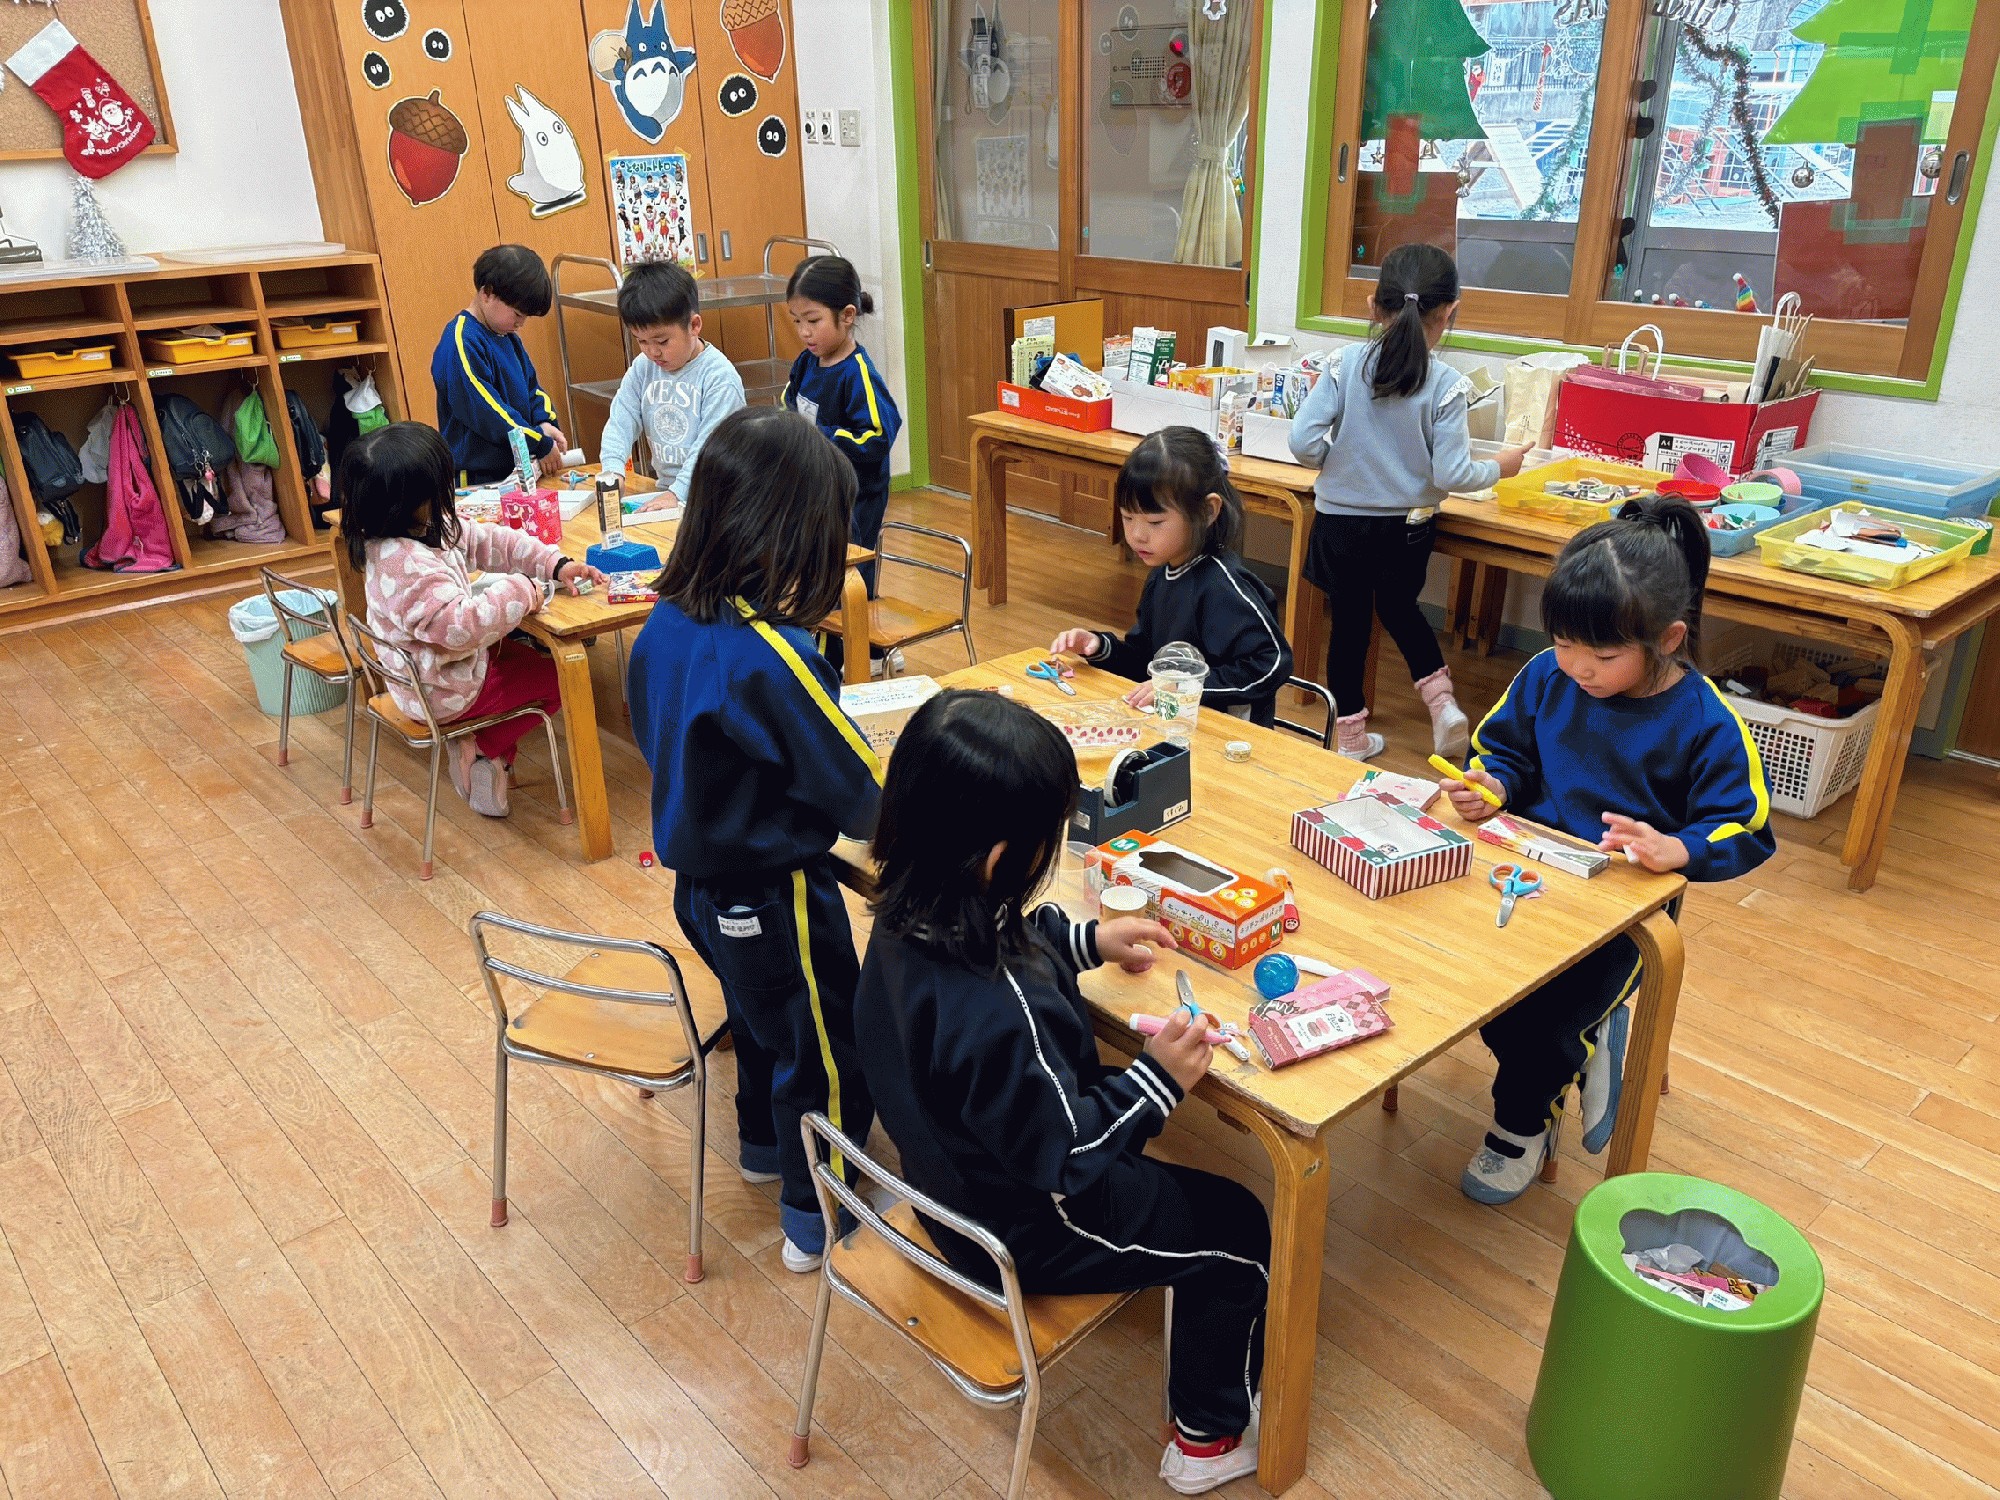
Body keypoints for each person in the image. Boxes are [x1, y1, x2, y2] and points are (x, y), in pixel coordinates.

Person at [853, 690, 1270, 1496]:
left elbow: (1010, 934)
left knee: (1126, 1115)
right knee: (1240, 1227)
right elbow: (1069, 1156)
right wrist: (1159, 1080)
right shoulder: (1000, 1006)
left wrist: (1087, 939)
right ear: (1000, 857)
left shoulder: (914, 907)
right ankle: (1206, 1440)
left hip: (944, 1179)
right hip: (1024, 1227)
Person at [1443, 497, 1775, 1205]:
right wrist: (1492, 784)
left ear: (1669, 639)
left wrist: (1678, 847)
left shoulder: (1706, 720)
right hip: (1527, 875)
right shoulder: (1547, 675)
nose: (1578, 668)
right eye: (1564, 643)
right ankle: (1584, 1043)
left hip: (1623, 912)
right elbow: (1502, 750)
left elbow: (1745, 826)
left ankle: (1521, 1124)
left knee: (1539, 1022)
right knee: (1459, 971)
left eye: (1602, 655)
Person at [626, 406, 881, 1272]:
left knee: (761, 1021)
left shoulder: (667, 620)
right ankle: (821, 1217)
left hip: (700, 887)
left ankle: (763, 1151)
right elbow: (860, 794)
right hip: (778, 893)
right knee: (826, 1048)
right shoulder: (770, 653)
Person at [1289, 242, 1531, 760]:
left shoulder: (1342, 365)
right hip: (1408, 527)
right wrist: (1501, 467)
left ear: (1373, 306)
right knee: (1400, 609)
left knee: (1349, 627)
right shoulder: (1447, 385)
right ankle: (1442, 703)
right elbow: (1453, 473)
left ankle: (1351, 740)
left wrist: (1338, 461)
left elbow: (1302, 443)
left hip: (1340, 525)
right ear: (1449, 312)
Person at [340, 423, 603, 817]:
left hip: (440, 671)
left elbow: (489, 541)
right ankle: (482, 748)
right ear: (413, 500)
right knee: (564, 678)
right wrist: (523, 590)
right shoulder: (406, 564)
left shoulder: (413, 527)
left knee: (531, 660)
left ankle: (485, 756)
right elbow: (462, 628)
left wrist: (554, 563)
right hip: (441, 690)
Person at [1050, 426, 1293, 726]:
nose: (1137, 535)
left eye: (1155, 522)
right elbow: (1146, 663)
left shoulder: (1223, 586)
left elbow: (1271, 664)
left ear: (1207, 511)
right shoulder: (1161, 576)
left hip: (1228, 737)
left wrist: (1185, 687)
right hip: (1177, 727)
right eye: (1127, 517)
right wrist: (1100, 647)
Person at [782, 255, 901, 595]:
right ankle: (821, 626)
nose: (804, 332)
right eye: (797, 321)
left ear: (847, 316)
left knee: (850, 572)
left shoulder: (857, 373)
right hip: (817, 487)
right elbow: (789, 403)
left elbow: (877, 435)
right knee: (814, 570)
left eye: (813, 320)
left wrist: (816, 437)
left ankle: (861, 630)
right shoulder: (806, 362)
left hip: (856, 496)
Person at [599, 261, 746, 513]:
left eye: (662, 341)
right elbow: (621, 418)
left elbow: (709, 449)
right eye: (641, 341)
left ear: (694, 325)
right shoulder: (644, 367)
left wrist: (677, 493)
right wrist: (613, 471)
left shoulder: (719, 377)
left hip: (717, 500)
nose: (652, 352)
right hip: (669, 493)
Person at [431, 245, 568, 486]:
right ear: (487, 293)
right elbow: (488, 411)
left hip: (516, 470)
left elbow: (532, 389)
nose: (520, 324)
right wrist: (538, 441)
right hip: (477, 479)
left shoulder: (508, 337)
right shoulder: (461, 340)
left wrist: (544, 422)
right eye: (517, 314)